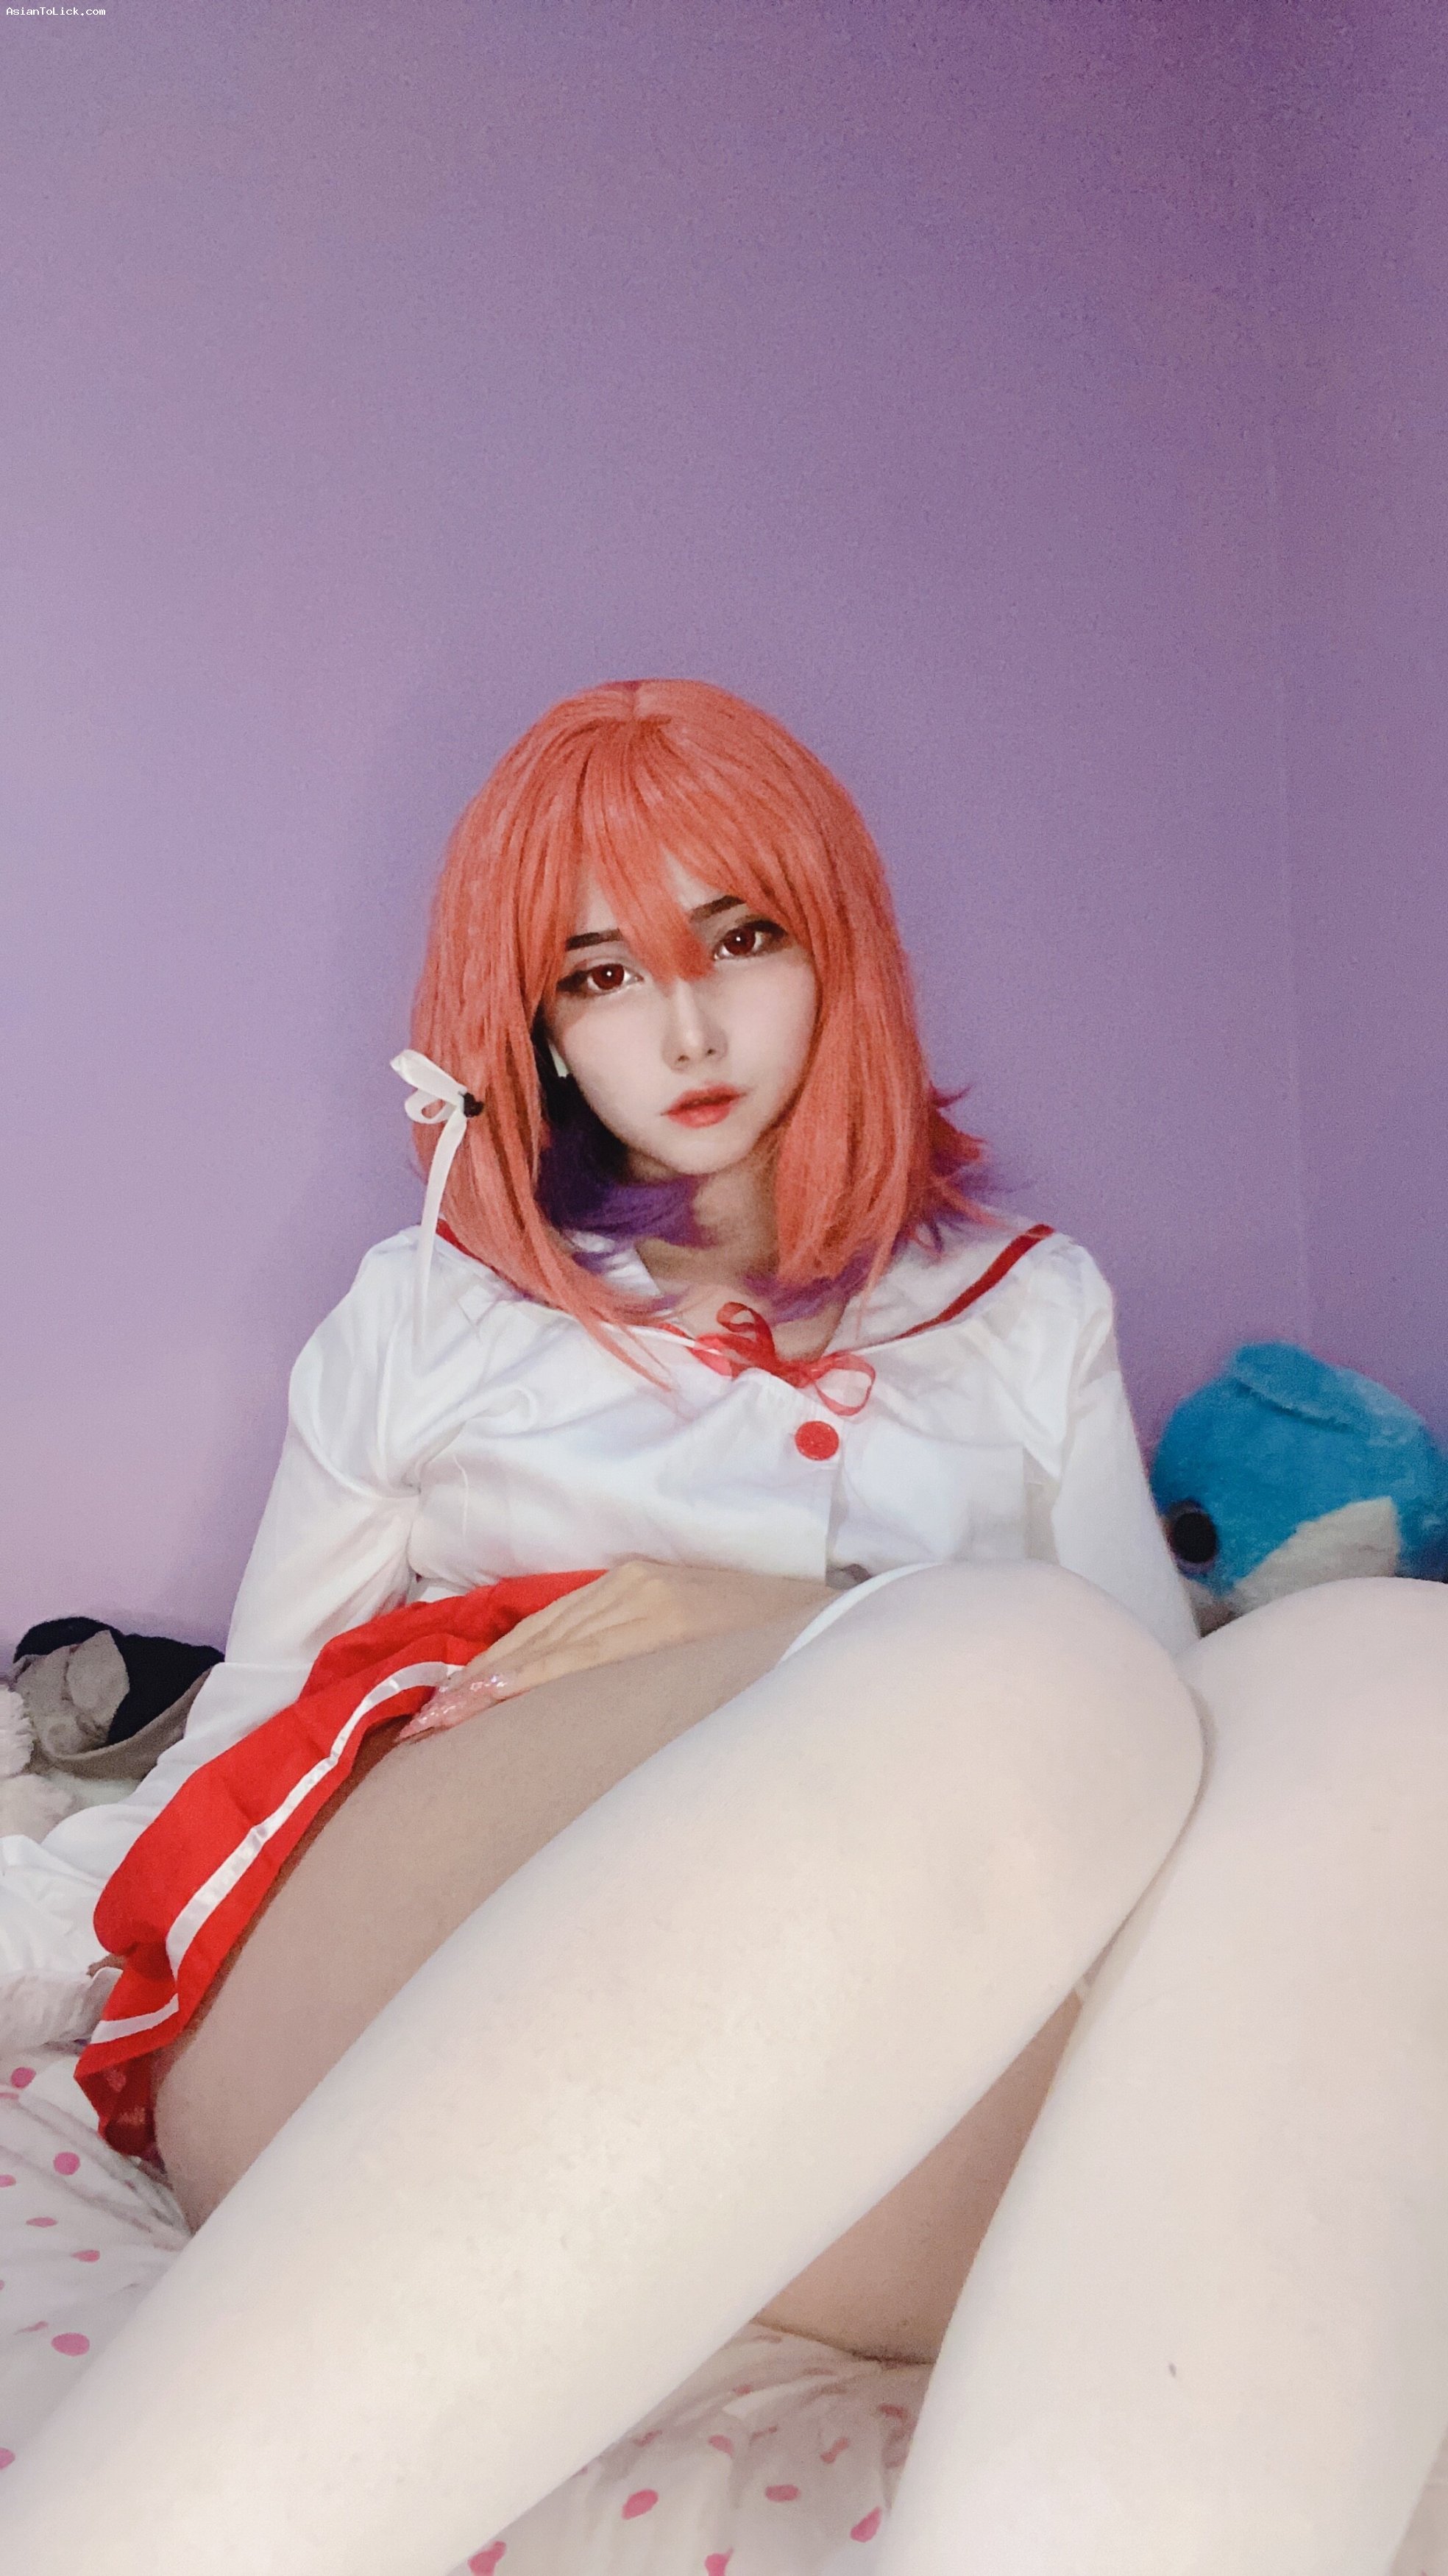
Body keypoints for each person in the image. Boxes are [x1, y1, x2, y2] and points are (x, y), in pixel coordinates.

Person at [1, 679, 1445, 2576]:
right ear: (534, 1027)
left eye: (741, 941)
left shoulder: (1024, 1311)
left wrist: (784, 1610)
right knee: (1015, 1669)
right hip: (390, 1965)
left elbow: (1173, 1757)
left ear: (837, 948)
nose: (684, 1030)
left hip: (887, 2007)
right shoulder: (431, 1316)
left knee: (1388, 1677)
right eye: (601, 976)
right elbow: (248, 1721)